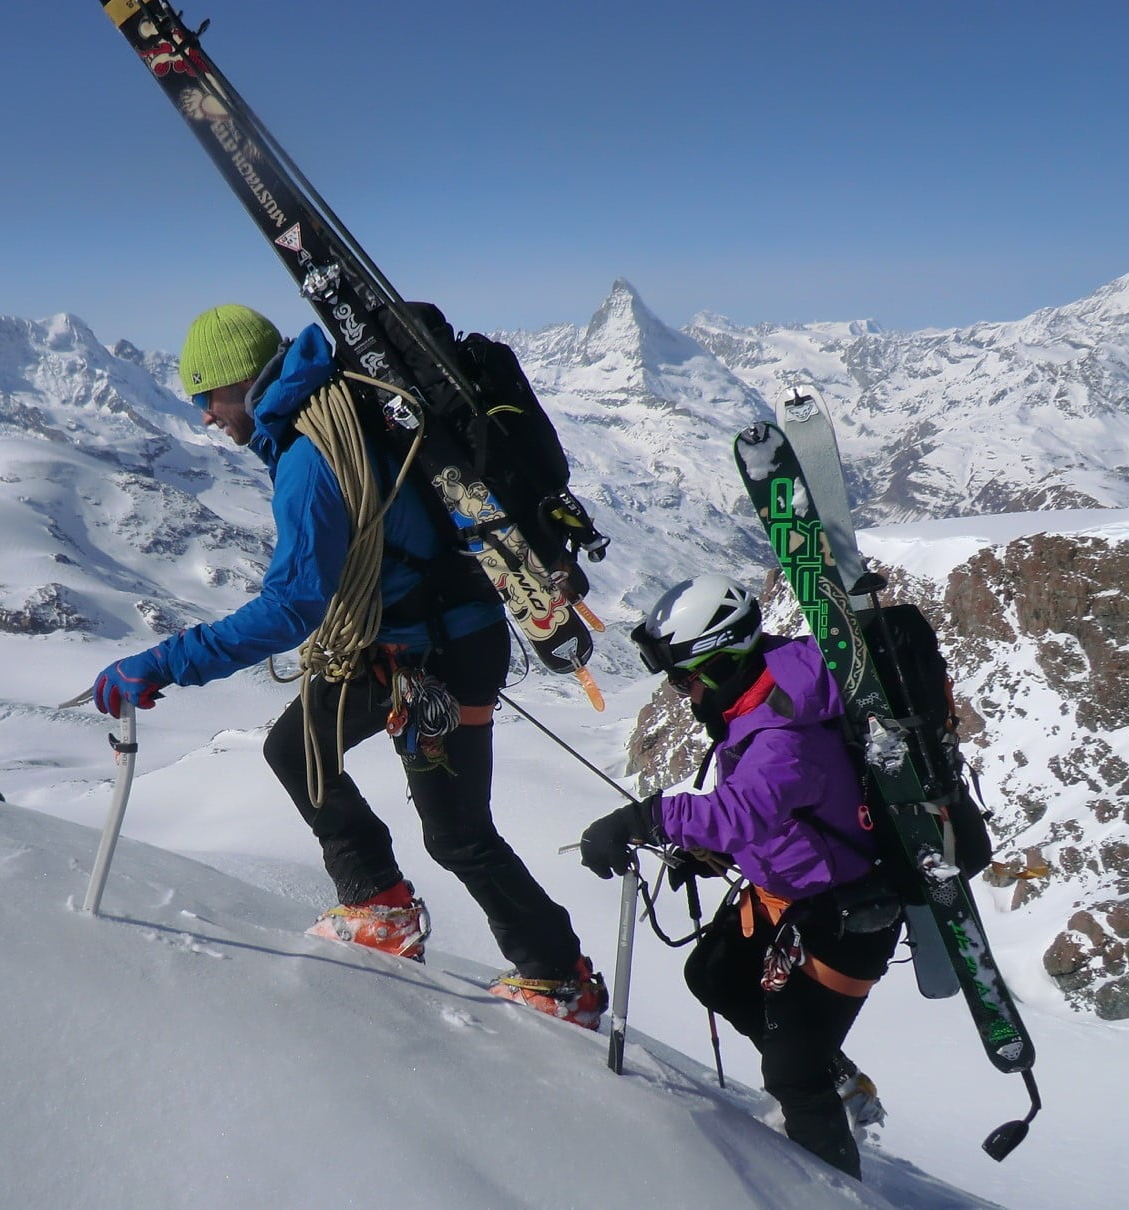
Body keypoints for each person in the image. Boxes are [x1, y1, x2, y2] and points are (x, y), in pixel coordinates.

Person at [91, 304, 605, 1029]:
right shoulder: (336, 403)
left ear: (240, 382)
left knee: (456, 833)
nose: (206, 416)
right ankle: (379, 904)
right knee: (298, 746)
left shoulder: (309, 454)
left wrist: (165, 663)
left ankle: (558, 978)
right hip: (406, 642)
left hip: (440, 655)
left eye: (207, 396)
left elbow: (291, 608)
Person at [579, 574, 902, 1179]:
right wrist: (722, 854)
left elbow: (740, 811)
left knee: (791, 1074)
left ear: (724, 662)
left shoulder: (783, 732)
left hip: (844, 915)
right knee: (716, 975)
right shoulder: (764, 687)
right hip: (791, 890)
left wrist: (644, 818)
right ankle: (835, 1077)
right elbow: (782, 816)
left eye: (683, 676)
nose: (679, 690)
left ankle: (835, 1189)